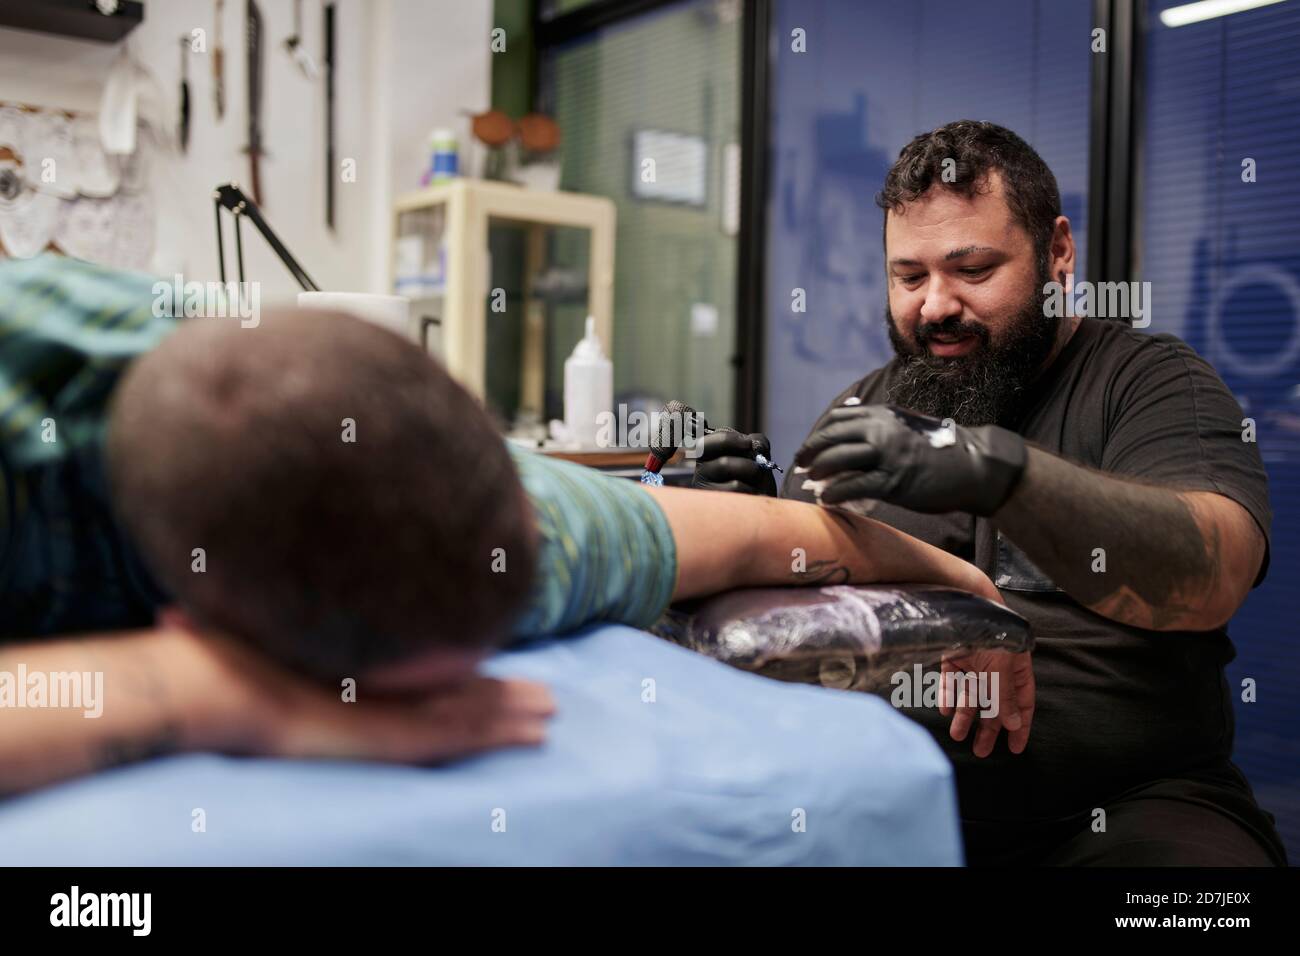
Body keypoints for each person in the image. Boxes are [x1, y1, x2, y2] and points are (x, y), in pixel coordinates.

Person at [0, 253, 999, 795]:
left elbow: (760, 533)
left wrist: (972, 591)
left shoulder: (533, 524)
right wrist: (228, 698)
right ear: (198, 621)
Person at [693, 120, 1285, 866]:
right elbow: (800, 627)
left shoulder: (1149, 384)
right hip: (887, 801)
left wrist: (1001, 473)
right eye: (909, 277)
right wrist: (750, 526)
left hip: (1132, 807)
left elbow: (1211, 576)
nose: (935, 304)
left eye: (971, 269)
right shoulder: (861, 412)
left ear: (1058, 253)